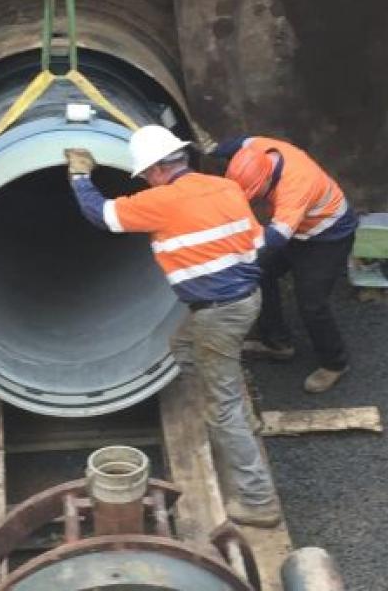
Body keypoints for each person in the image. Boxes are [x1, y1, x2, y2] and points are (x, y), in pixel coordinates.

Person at [65, 125, 282, 527]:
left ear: (164, 168)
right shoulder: (225, 188)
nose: (146, 179)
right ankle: (233, 408)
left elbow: (102, 215)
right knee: (182, 346)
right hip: (246, 300)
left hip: (218, 312)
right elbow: (255, 246)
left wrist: (80, 177)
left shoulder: (162, 201)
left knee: (223, 407)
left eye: (147, 172)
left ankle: (258, 499)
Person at [216, 136, 356, 393]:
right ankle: (277, 343)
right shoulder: (255, 148)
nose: (255, 201)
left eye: (257, 196)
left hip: (327, 235)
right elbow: (235, 143)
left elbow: (276, 239)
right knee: (261, 273)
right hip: (298, 228)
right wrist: (212, 150)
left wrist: (231, 258)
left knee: (312, 304)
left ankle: (335, 363)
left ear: (268, 180)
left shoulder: (296, 186)